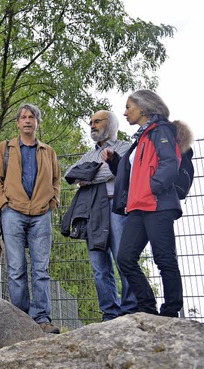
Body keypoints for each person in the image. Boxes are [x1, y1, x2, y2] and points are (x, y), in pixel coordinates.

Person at [102, 90, 186, 317]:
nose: (125, 112)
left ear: (143, 107)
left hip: (158, 205)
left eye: (129, 107)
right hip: (138, 208)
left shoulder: (161, 131)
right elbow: (132, 173)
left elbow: (170, 163)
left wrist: (152, 188)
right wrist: (114, 162)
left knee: (164, 258)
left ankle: (170, 311)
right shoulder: (140, 137)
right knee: (125, 258)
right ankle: (147, 307)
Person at [0, 103, 61, 334]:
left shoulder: (48, 151)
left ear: (37, 123)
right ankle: (20, 319)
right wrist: (4, 205)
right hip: (13, 213)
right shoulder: (5, 148)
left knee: (41, 269)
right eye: (23, 117)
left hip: (41, 214)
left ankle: (42, 318)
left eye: (32, 117)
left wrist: (53, 202)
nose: (27, 120)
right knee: (16, 267)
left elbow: (57, 181)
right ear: (18, 123)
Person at [62, 111, 137, 321]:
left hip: (119, 209)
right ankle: (110, 314)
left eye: (97, 121)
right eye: (91, 122)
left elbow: (123, 170)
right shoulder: (89, 154)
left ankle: (131, 309)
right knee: (99, 268)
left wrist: (89, 175)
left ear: (111, 124)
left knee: (124, 260)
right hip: (93, 212)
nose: (92, 125)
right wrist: (100, 171)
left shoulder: (124, 147)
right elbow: (71, 174)